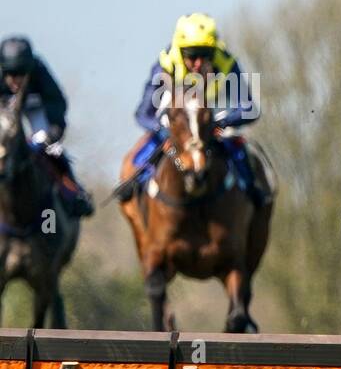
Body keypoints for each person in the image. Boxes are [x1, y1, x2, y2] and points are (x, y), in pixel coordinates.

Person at [117, 12, 264, 204]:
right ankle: (134, 186)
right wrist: (165, 131)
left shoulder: (227, 63)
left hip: (214, 124)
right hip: (173, 127)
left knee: (241, 155)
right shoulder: (165, 65)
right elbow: (143, 114)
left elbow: (250, 108)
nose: (198, 63)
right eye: (192, 55)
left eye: (206, 55)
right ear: (180, 51)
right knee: (140, 159)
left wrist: (223, 121)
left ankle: (253, 194)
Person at [0, 36, 95, 217]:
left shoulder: (40, 71)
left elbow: (57, 103)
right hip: (6, 115)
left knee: (53, 150)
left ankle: (75, 193)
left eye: (20, 74)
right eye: (11, 74)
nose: (15, 81)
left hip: (36, 111)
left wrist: (53, 132)